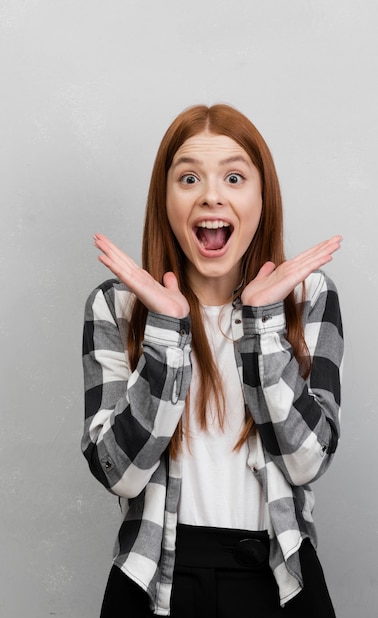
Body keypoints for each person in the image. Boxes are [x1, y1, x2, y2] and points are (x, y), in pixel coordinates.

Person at [81, 104, 343, 617]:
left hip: (278, 573)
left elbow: (308, 460)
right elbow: (119, 473)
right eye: (189, 177)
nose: (211, 195)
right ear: (166, 198)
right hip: (155, 576)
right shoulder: (117, 305)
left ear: (261, 198)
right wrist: (165, 329)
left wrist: (265, 321)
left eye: (234, 176)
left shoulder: (309, 296)